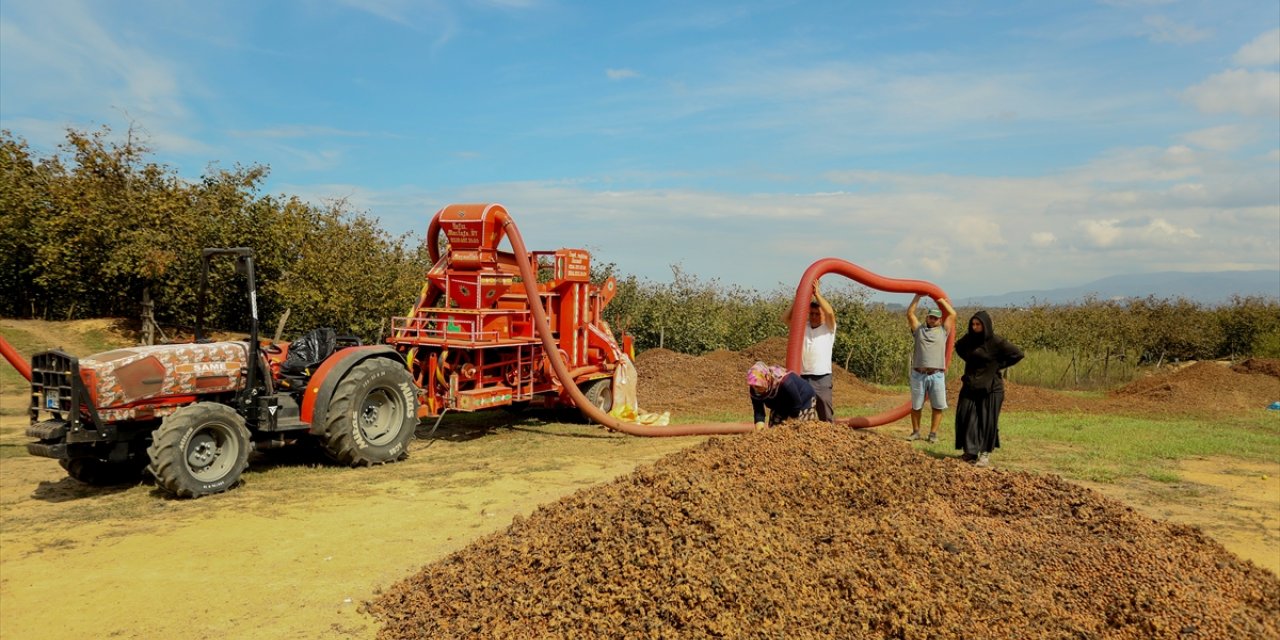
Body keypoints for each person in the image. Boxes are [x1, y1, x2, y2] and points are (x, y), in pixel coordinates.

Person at [953, 310, 1024, 468]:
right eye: (973, 324)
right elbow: (958, 347)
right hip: (971, 385)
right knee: (966, 416)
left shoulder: (996, 342)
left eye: (978, 324)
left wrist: (999, 365)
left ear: (986, 325)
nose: (975, 327)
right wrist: (970, 359)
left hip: (991, 388)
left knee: (987, 421)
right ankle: (970, 452)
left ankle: (984, 454)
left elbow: (1018, 354)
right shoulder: (969, 339)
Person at [906, 294, 955, 443]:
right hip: (918, 374)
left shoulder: (943, 331)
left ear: (940, 320)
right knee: (916, 406)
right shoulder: (919, 330)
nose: (932, 320)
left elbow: (953, 314)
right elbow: (909, 314)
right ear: (927, 318)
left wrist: (940, 300)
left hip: (937, 375)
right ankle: (916, 432)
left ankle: (933, 434)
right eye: (930, 317)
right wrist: (917, 296)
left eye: (936, 318)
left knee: (938, 406)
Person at [785, 280, 837, 422]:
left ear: (823, 315)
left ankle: (829, 436)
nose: (814, 317)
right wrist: (799, 299)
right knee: (802, 410)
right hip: (803, 376)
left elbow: (830, 313)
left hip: (822, 376)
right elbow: (785, 318)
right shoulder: (803, 326)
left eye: (817, 314)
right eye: (811, 313)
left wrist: (817, 295)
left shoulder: (829, 328)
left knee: (824, 408)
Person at [747, 361, 818, 429]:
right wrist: (760, 432)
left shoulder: (785, 382)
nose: (757, 389)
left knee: (798, 428)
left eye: (760, 385)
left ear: (767, 378)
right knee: (773, 429)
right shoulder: (754, 390)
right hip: (781, 404)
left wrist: (788, 426)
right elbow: (759, 412)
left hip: (803, 400)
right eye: (755, 386)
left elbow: (796, 405)